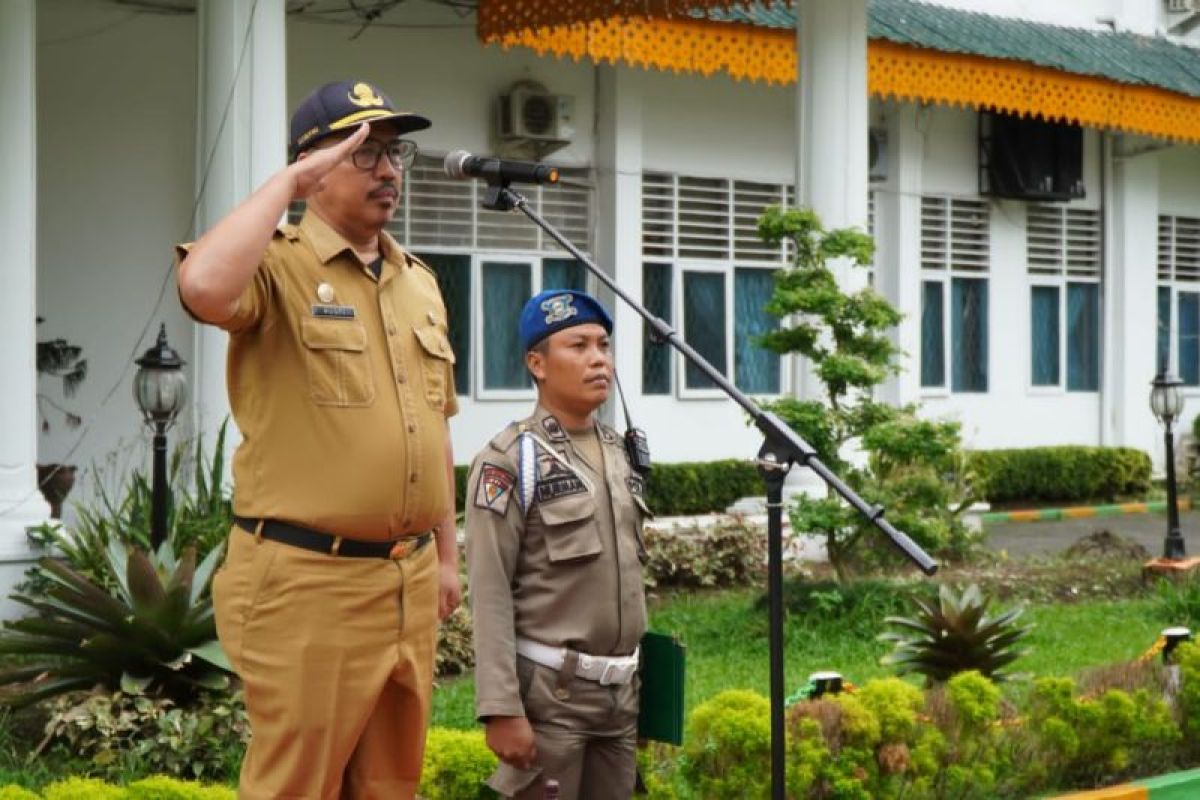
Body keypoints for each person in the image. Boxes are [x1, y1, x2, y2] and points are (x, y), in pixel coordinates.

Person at [176, 79, 461, 799]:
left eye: (396, 154)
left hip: (409, 578)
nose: (389, 171)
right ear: (313, 164)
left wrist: (449, 558)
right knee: (296, 787)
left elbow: (433, 429)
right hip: (308, 581)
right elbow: (204, 288)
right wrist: (287, 184)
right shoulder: (276, 263)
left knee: (390, 785)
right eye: (366, 154)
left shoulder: (417, 282)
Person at [465, 290, 652, 799]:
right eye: (579, 346)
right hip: (551, 698)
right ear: (537, 363)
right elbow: (489, 590)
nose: (599, 359)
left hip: (620, 699)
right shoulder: (509, 459)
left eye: (604, 345)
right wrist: (501, 708)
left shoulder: (620, 453)